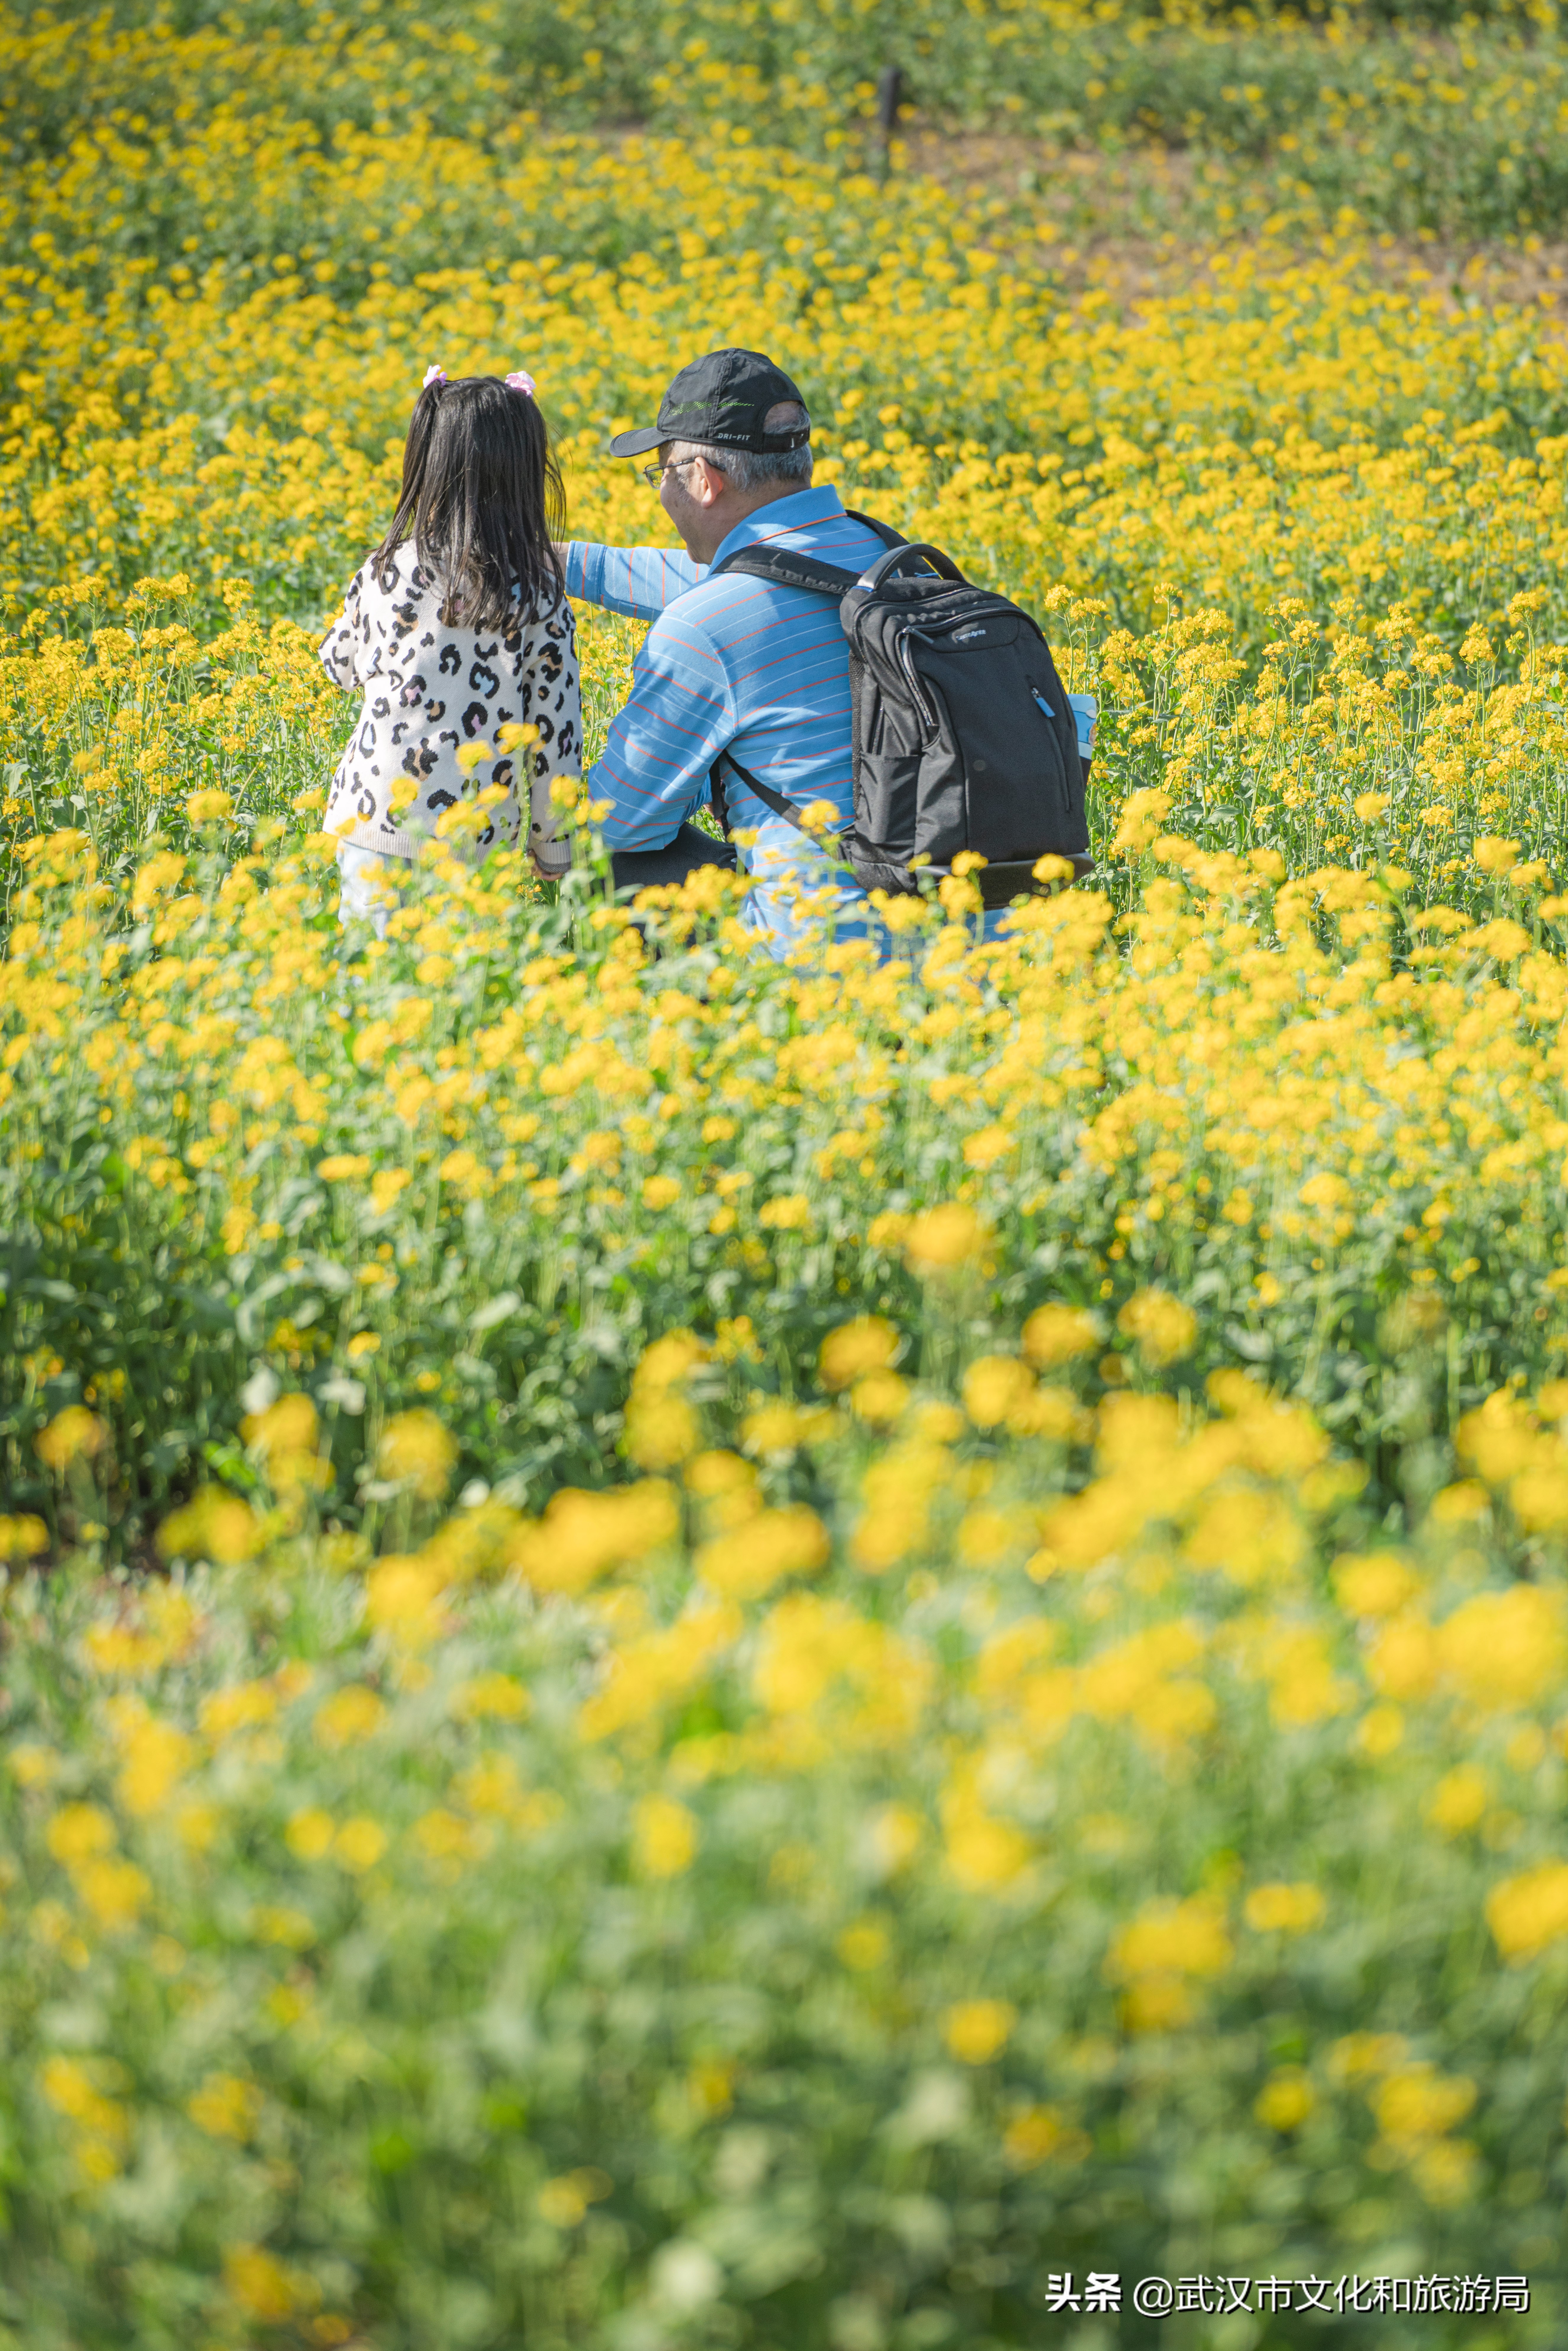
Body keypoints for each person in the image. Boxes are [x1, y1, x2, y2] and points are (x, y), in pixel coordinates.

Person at [559, 347, 894, 959]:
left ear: (703, 481)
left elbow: (617, 827)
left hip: (824, 967)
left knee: (610, 867)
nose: (660, 491)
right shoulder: (892, 560)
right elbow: (708, 579)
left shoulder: (708, 626)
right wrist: (550, 561)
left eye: (660, 473)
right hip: (971, 946)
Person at [320, 365, 580, 934]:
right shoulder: (537, 592)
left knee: (373, 982)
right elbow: (555, 737)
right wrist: (554, 846)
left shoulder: (387, 569)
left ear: (426, 467)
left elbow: (340, 664)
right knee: (459, 996)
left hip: (374, 821)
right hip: (478, 840)